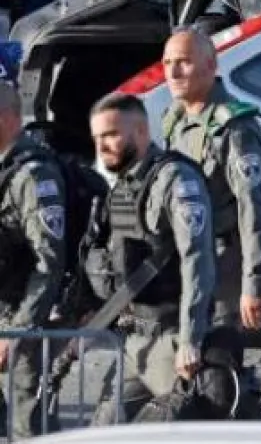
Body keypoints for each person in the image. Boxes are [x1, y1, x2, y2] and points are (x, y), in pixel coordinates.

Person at [84, 93, 220, 425]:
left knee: (179, 428)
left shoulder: (176, 179)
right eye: (98, 138)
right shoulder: (123, 186)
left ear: (142, 132)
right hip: (134, 339)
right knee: (103, 429)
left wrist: (190, 339)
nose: (103, 146)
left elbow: (197, 259)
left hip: (170, 338)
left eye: (112, 135)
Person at [158, 28, 261, 419]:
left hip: (224, 264)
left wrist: (253, 285)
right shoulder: (174, 118)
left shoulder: (234, 127)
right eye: (168, 62)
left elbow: (254, 208)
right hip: (188, 264)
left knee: (219, 372)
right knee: (186, 368)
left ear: (211, 65)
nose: (174, 72)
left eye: (184, 62)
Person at [0, 83, 67, 437]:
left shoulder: (34, 175)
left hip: (23, 317)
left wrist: (19, 332)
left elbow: (48, 262)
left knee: (30, 424)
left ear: (10, 118)